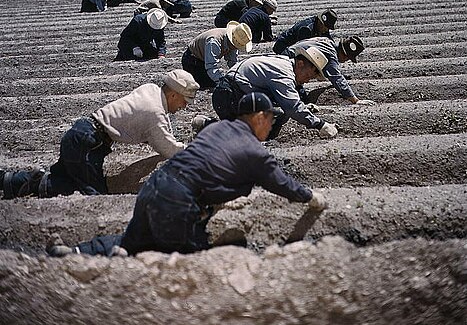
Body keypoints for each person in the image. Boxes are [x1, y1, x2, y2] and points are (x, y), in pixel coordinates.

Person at [46, 92, 327, 258]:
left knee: (131, 241)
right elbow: (282, 184)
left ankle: (77, 254)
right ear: (258, 118)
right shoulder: (256, 151)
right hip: (178, 201)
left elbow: (208, 163)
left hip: (156, 186)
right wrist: (311, 196)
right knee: (189, 257)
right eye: (271, 118)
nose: (272, 124)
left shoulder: (217, 129)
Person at [0, 70, 200, 200]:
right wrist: (195, 152)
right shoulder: (155, 114)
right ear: (173, 94)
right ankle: (30, 181)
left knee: (66, 182)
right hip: (88, 144)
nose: (183, 107)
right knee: (95, 195)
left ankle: (10, 180)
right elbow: (168, 148)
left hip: (82, 134)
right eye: (184, 101)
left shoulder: (150, 90)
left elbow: (159, 128)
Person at [210, 48, 339, 140]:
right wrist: (320, 124)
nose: (306, 81)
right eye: (308, 76)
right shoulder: (284, 74)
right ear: (300, 64)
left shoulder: (283, 62)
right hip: (228, 96)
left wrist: (304, 107)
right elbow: (291, 107)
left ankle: (210, 126)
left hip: (230, 93)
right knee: (272, 120)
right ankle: (210, 127)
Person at [283, 36, 375, 106]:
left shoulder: (327, 41)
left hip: (287, 56)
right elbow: (337, 79)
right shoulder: (331, 55)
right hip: (290, 63)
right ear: (345, 55)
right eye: (348, 59)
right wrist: (355, 100)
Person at [181, 22, 253, 89]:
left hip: (204, 60)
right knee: (208, 85)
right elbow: (211, 66)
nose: (237, 48)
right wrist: (223, 81)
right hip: (192, 61)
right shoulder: (214, 42)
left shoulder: (234, 39)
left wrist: (239, 77)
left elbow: (233, 63)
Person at [273, 9, 337, 55]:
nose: (327, 30)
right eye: (327, 27)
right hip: (284, 47)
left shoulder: (320, 26)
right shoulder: (306, 29)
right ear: (321, 23)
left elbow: (328, 39)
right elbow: (301, 49)